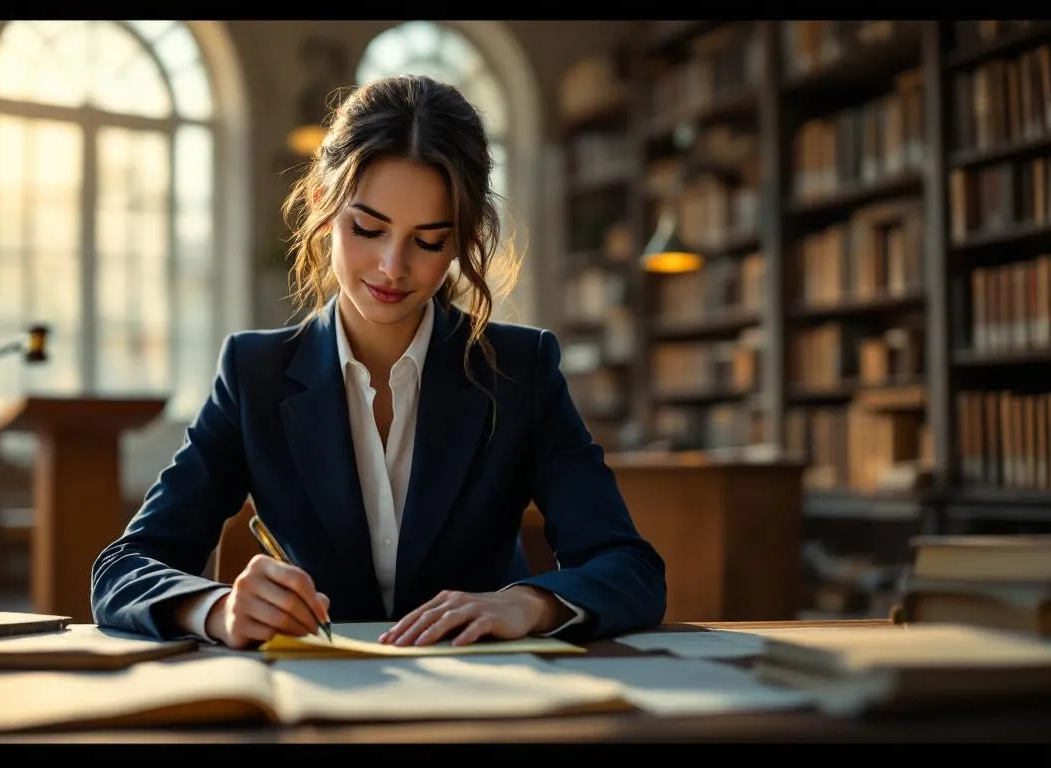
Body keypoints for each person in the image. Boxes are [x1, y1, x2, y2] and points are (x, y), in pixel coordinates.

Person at [91, 73, 667, 649]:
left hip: (483, 699)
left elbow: (632, 569)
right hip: (317, 701)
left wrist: (529, 603)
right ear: (322, 203)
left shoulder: (521, 369)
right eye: (368, 228)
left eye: (429, 241)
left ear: (463, 239)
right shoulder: (253, 373)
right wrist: (217, 610)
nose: (393, 266)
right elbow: (123, 569)